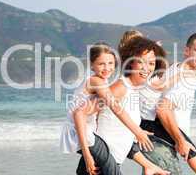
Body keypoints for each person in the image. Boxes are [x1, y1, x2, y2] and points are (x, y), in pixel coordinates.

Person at [62, 40, 169, 175]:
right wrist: (137, 132)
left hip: (107, 159)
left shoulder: (131, 89)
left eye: (152, 63)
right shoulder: (119, 87)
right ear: (131, 62)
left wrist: (147, 162)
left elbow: (118, 128)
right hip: (100, 161)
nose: (147, 68)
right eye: (141, 62)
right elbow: (80, 112)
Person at [138, 33, 196, 175]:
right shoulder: (187, 78)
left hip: (154, 143)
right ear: (187, 51)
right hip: (161, 145)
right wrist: (181, 141)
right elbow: (163, 109)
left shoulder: (175, 68)